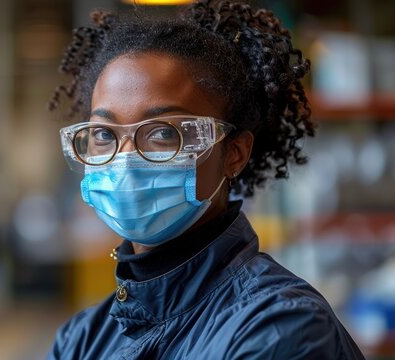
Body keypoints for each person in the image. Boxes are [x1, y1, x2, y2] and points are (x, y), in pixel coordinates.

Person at [47, 1, 365, 359]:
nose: (125, 158)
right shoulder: (81, 339)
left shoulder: (280, 327)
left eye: (163, 133)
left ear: (234, 153)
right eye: (104, 134)